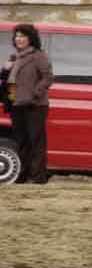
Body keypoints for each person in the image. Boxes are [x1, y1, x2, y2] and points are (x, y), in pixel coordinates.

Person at [0, 23, 53, 184]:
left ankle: (37, 177)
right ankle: (22, 174)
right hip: (16, 103)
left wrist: (34, 94)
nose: (19, 39)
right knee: (21, 141)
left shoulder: (38, 56)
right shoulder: (14, 57)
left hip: (35, 105)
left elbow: (48, 78)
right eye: (17, 36)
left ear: (31, 39)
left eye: (23, 36)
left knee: (35, 140)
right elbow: (7, 79)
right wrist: (4, 69)